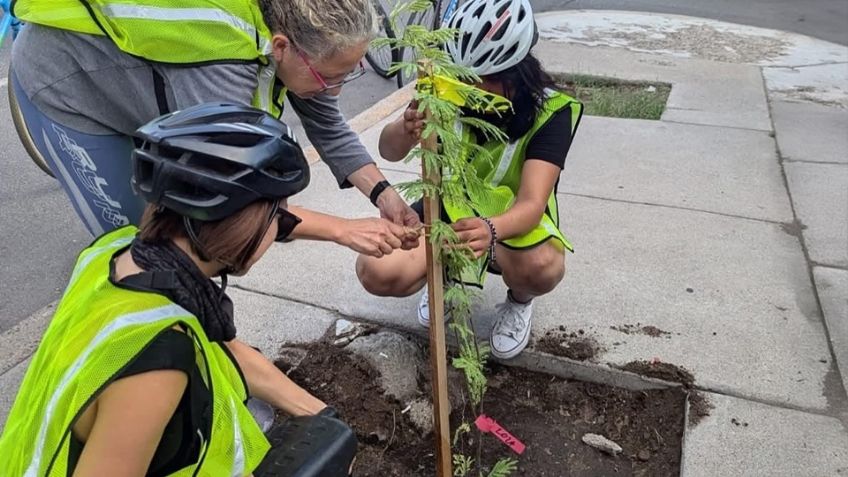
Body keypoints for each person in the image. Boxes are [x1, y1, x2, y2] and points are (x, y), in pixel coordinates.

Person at [0, 104, 355, 475]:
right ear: (245, 224)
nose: (286, 224)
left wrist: (324, 417)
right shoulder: (159, 360)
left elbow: (225, 350)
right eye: (278, 214)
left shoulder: (116, 254)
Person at [9, 0, 420, 256]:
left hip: (144, 89)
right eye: (330, 76)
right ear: (280, 47)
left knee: (187, 243)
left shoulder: (293, 29)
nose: (335, 89)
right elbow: (236, 199)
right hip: (67, 87)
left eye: (349, 74)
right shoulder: (224, 66)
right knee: (140, 250)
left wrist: (384, 195)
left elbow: (326, 122)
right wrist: (342, 230)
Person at [356, 0, 584, 359]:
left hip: (509, 222)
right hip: (447, 207)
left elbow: (531, 204)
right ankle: (443, 279)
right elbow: (389, 150)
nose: (472, 88)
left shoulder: (551, 113)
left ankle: (520, 302)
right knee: (376, 268)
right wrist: (406, 128)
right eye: (465, 77)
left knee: (542, 266)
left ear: (517, 72)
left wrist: (490, 229)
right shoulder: (447, 89)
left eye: (484, 80)